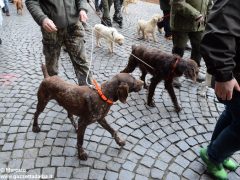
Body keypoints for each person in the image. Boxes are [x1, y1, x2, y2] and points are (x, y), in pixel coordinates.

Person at [200, 0, 240, 179]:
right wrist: (224, 75)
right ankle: (214, 157)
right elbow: (219, 30)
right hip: (234, 75)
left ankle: (214, 152)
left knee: (233, 115)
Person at [25, 0, 92, 86]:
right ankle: (53, 91)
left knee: (82, 62)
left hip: (74, 26)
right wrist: (42, 19)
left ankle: (88, 92)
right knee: (51, 67)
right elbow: (31, 2)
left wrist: (82, 9)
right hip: (51, 29)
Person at [170, 0, 213, 88]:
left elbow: (209, 4)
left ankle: (193, 72)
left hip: (199, 25)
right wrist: (195, 14)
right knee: (179, 49)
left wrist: (210, 17)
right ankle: (174, 73)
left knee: (199, 48)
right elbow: (177, 2)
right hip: (181, 24)